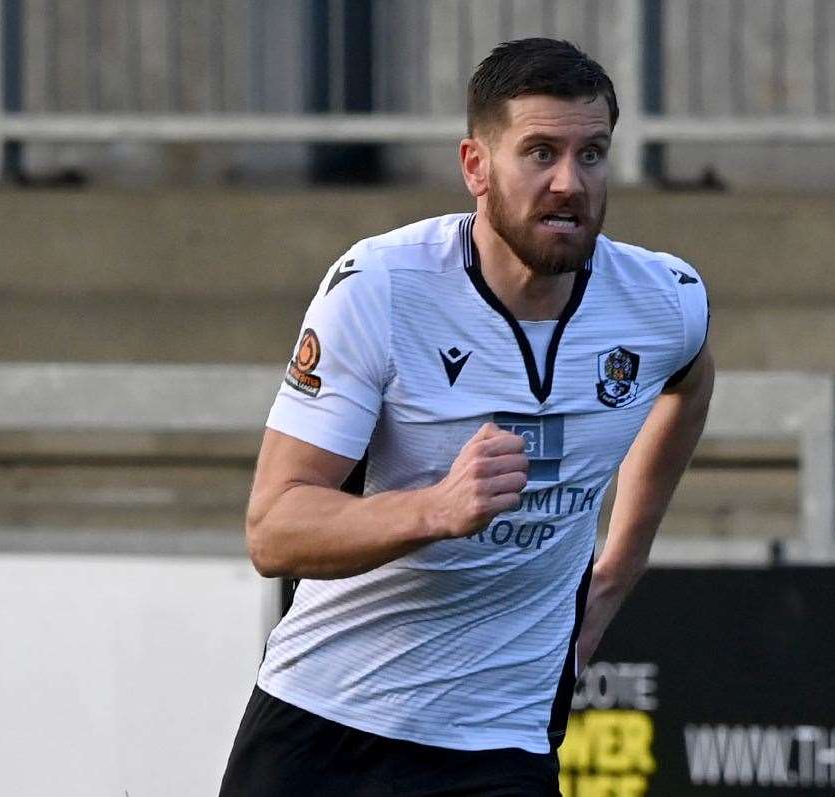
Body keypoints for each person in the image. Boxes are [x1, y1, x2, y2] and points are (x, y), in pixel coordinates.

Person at [220, 37, 713, 796]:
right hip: (327, 724)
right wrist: (435, 509)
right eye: (539, 152)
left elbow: (688, 376)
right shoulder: (380, 288)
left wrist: (621, 561)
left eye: (592, 154)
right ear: (475, 166)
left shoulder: (663, 301)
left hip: (502, 741)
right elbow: (274, 528)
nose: (568, 183)